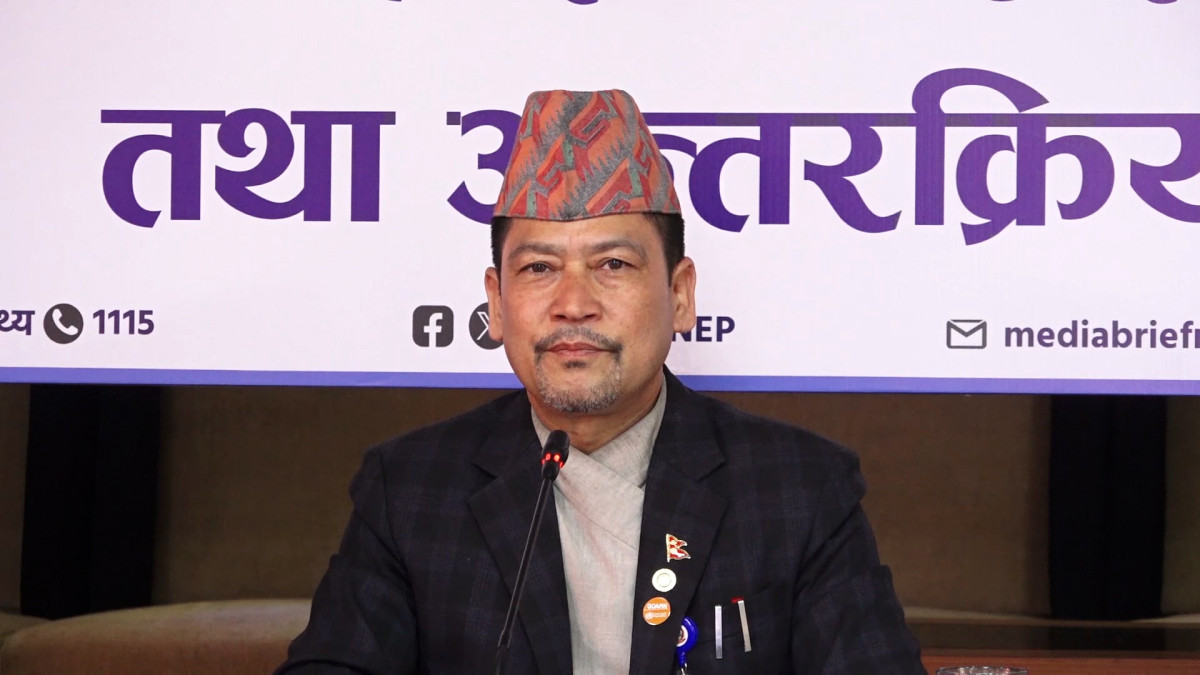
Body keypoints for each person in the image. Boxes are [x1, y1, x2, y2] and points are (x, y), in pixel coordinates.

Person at [277, 89, 923, 674]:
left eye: (612, 263)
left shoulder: (799, 488)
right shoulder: (411, 489)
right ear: (496, 302)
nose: (573, 304)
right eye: (538, 268)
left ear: (680, 294)